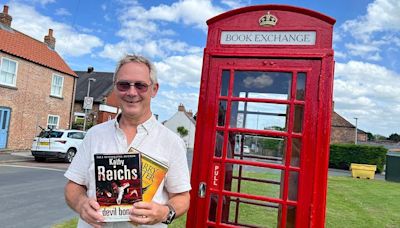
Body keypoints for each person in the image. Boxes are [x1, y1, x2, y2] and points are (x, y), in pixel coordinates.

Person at [64, 54, 191, 228]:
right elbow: (73, 186)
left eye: (141, 85)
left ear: (154, 89)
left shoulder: (172, 142)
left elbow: (183, 197)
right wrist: (81, 204)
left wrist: (164, 213)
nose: (132, 92)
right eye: (124, 85)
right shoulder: (94, 134)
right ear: (115, 88)